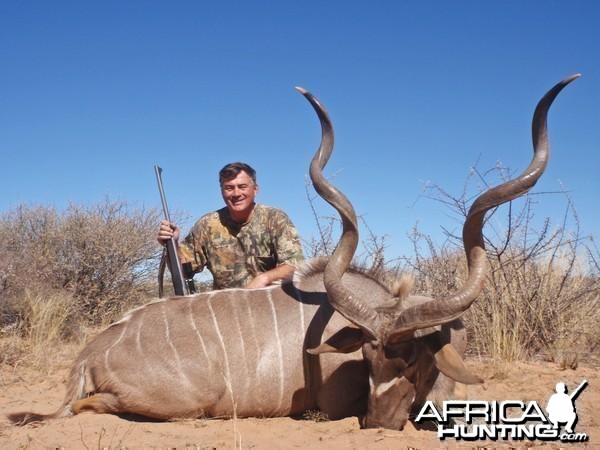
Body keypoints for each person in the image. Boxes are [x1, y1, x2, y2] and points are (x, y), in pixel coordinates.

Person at [157, 162, 304, 290]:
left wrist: (263, 279)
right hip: (227, 311)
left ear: (255, 189)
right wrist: (173, 244)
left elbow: (294, 266)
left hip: (267, 307)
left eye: (242, 186)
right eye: (229, 188)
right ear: (222, 191)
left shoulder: (275, 219)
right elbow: (183, 271)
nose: (236, 193)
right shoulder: (207, 224)